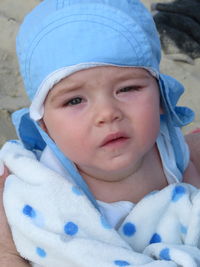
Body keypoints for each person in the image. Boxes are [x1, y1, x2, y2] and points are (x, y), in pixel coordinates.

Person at [1, 0, 200, 266]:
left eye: (127, 89)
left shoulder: (168, 144)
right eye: (74, 101)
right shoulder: (47, 186)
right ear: (45, 126)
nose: (107, 113)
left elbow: (189, 190)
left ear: (162, 99)